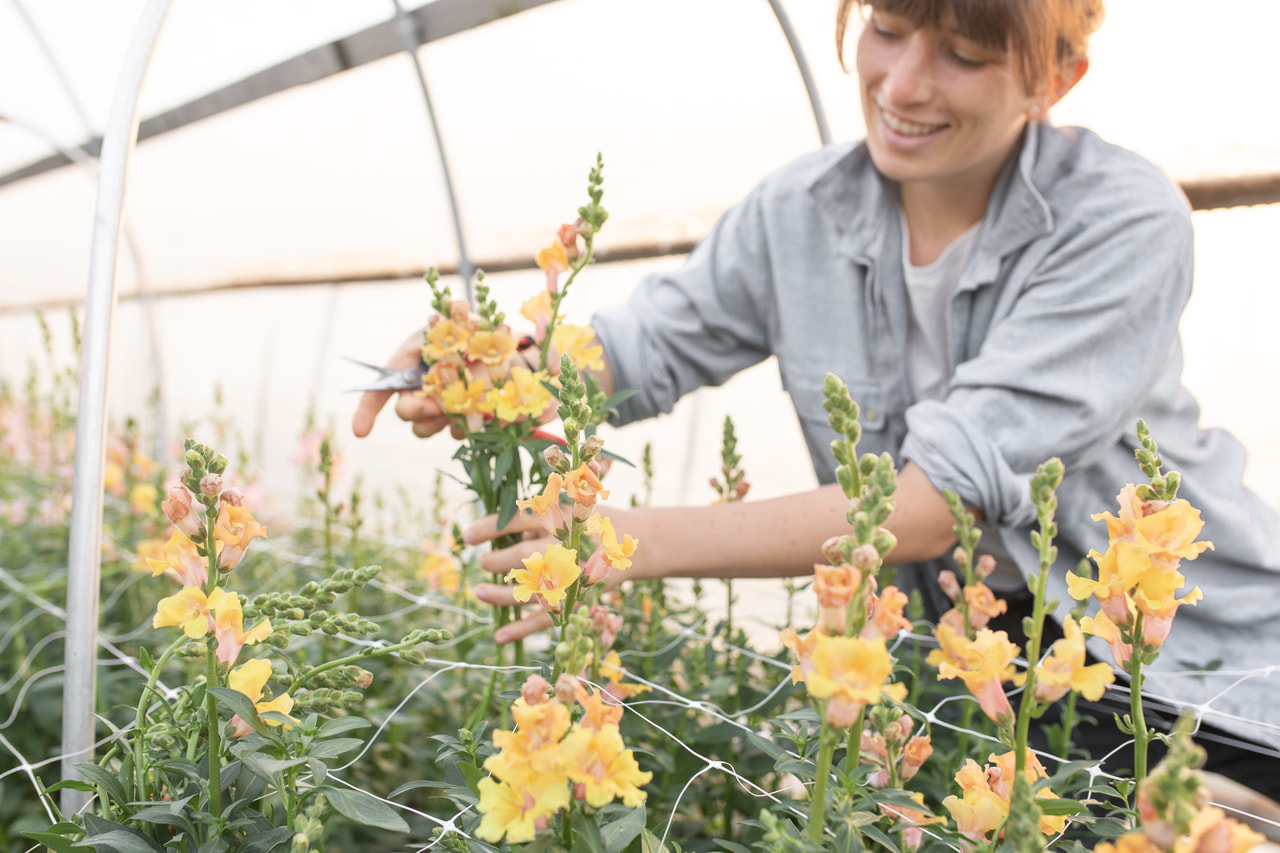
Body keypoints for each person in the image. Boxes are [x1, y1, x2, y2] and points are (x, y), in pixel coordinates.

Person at [354, 0, 1280, 796]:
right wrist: (483, 363)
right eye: (886, 27)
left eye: (963, 54)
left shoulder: (1120, 218)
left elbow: (932, 504)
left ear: (1057, 80)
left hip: (1196, 681)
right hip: (969, 688)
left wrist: (618, 542)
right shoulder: (799, 211)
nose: (904, 84)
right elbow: (641, 346)